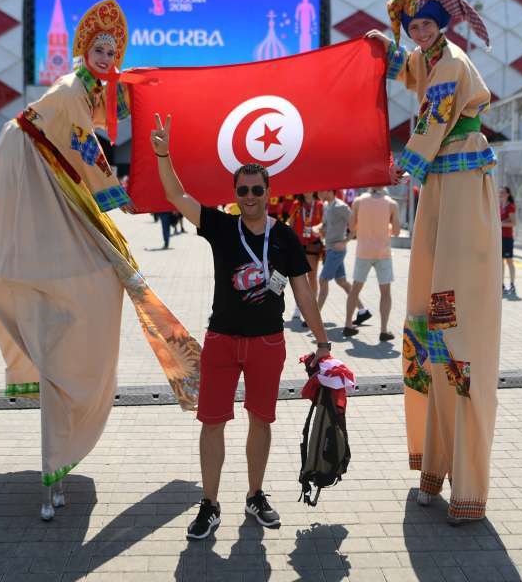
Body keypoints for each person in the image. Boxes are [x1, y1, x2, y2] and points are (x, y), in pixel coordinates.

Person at [0, 0, 201, 522]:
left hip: (51, 167)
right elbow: (86, 149)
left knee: (99, 265)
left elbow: (92, 141)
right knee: (94, 261)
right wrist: (121, 195)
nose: (107, 55)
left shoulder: (91, 89)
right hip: (33, 165)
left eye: (113, 50)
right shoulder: (72, 91)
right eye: (99, 48)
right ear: (81, 51)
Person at [151, 116, 333, 541]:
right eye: (243, 190)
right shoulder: (220, 226)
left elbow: (305, 294)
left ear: (269, 193)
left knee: (260, 421)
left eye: (257, 190)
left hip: (268, 343)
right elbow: (175, 194)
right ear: (235, 194)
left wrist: (323, 341)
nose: (250, 196)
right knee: (212, 423)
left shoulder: (285, 237)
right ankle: (210, 503)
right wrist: (163, 154)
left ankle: (255, 495)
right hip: (222, 340)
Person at [365, 0, 502, 524]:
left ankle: (467, 483)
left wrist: (408, 163)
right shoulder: (430, 59)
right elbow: (415, 73)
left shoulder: (454, 64)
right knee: (427, 321)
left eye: (425, 25)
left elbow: (434, 115)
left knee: (455, 324)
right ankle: (434, 467)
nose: (418, 33)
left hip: (462, 177)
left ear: (442, 24)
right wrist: (390, 50)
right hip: (443, 185)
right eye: (411, 27)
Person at [345, 187, 401, 340]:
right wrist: (387, 227)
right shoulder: (391, 204)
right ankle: (383, 330)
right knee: (385, 292)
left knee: (355, 289)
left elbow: (351, 227)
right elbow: (396, 231)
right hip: (383, 252)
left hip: (363, 251)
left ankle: (348, 325)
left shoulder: (358, 201)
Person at [316, 190, 369, 320]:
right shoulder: (326, 206)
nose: (318, 194)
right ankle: (363, 311)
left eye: (320, 191)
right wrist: (320, 229)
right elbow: (326, 225)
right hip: (329, 249)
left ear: (329, 191)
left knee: (323, 280)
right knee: (342, 281)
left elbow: (355, 225)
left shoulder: (342, 207)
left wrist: (345, 242)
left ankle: (315, 316)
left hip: (336, 250)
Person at [286, 191, 324, 322]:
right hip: (298, 244)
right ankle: (299, 306)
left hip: (313, 244)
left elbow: (324, 223)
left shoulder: (319, 204)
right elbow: (290, 221)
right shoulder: (297, 204)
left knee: (312, 276)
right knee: (299, 277)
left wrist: (320, 230)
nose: (308, 190)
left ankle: (312, 306)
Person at [500, 187, 517, 297]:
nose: (500, 194)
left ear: (508, 194)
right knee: (500, 262)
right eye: (499, 193)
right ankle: (501, 284)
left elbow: (514, 223)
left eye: (502, 193)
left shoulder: (510, 207)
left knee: (509, 261)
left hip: (507, 238)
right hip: (499, 238)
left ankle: (512, 284)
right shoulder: (499, 206)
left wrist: (500, 224)